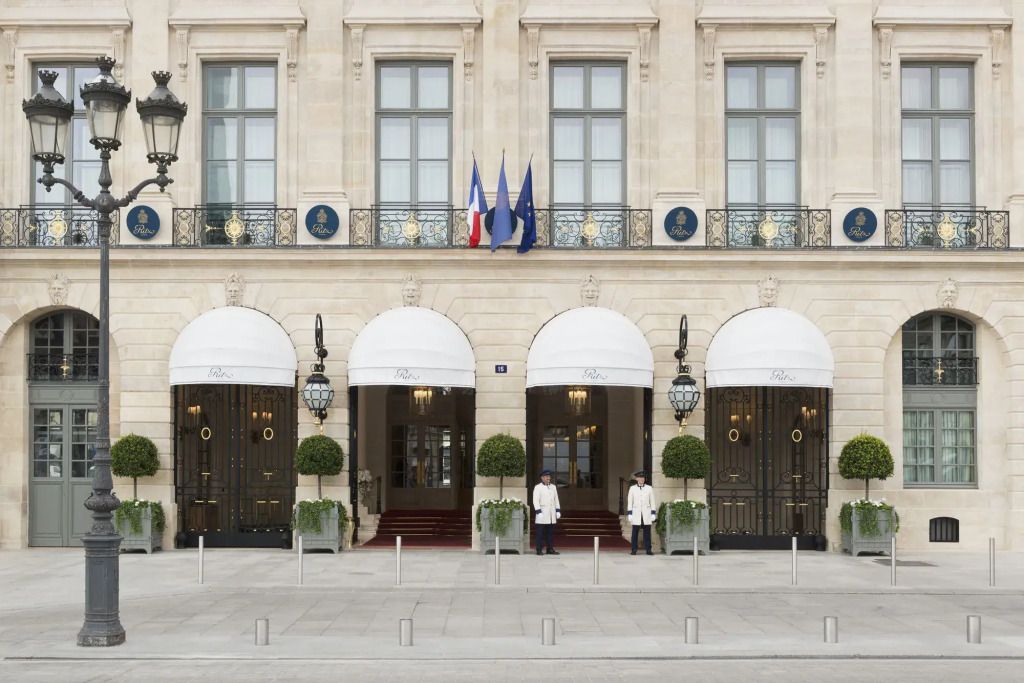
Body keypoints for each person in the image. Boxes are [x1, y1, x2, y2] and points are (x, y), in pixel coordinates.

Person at [627, 470, 657, 555]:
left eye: (643, 477)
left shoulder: (649, 488)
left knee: (647, 533)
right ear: (636, 479)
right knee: (635, 533)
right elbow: (630, 502)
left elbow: (652, 501)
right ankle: (634, 549)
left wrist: (653, 513)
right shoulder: (632, 488)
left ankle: (648, 550)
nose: (641, 479)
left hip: (646, 513)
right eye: (640, 477)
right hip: (636, 513)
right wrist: (630, 513)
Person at [532, 469, 561, 555]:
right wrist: (538, 511)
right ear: (542, 478)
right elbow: (535, 500)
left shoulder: (553, 487)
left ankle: (550, 549)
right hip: (542, 513)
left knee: (550, 533)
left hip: (551, 514)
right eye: (546, 476)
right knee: (540, 533)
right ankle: (539, 549)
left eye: (549, 476)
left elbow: (556, 500)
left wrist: (558, 510)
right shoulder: (538, 487)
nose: (548, 478)